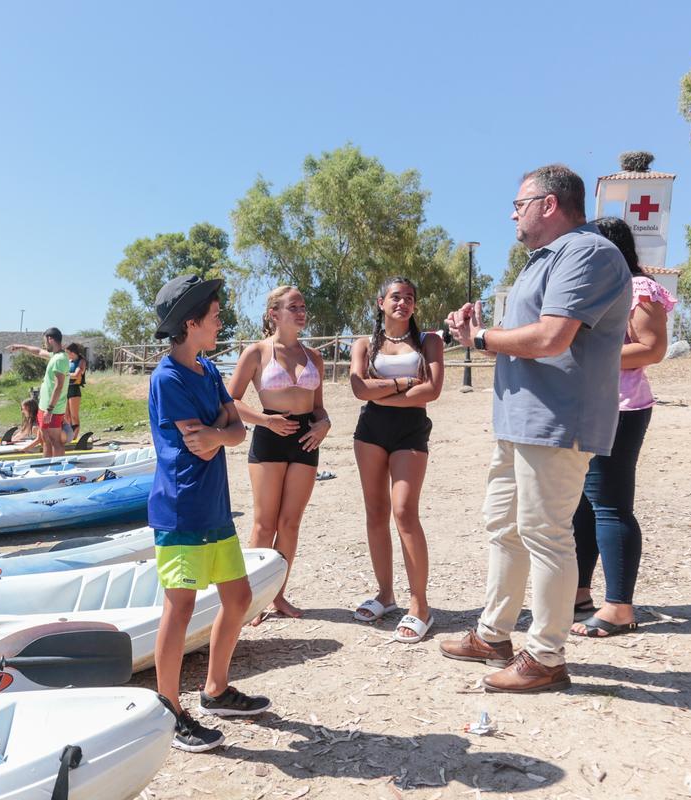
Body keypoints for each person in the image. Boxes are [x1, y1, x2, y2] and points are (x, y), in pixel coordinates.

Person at [440, 164, 632, 693]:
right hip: (520, 420)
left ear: (549, 204)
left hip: (556, 420)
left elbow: (551, 338)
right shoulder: (544, 261)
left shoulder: (587, 253)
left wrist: (479, 340)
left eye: (519, 203)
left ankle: (546, 656)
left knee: (546, 534)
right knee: (503, 527)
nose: (512, 213)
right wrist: (474, 331)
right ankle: (494, 634)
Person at [148, 274, 269, 753]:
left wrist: (220, 429)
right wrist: (222, 430)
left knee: (237, 598)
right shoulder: (169, 377)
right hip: (181, 511)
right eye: (215, 314)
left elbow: (235, 431)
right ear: (192, 322)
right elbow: (200, 447)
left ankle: (216, 690)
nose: (221, 320)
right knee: (179, 609)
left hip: (215, 508)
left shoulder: (209, 370)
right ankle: (169, 711)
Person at [572, 217, 676, 637]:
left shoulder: (638, 288)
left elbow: (652, 349)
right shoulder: (602, 290)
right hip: (589, 407)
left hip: (622, 408)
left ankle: (619, 606)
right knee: (581, 506)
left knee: (610, 505)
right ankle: (578, 593)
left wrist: (582, 357)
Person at [348, 276, 445, 644]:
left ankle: (420, 605)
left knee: (404, 512)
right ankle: (386, 595)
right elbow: (359, 389)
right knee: (375, 511)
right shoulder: (364, 344)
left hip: (411, 432)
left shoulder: (428, 342)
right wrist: (405, 384)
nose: (401, 303)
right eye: (395, 297)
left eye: (408, 298)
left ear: (414, 306)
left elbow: (432, 390)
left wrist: (382, 390)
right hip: (370, 432)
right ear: (380, 302)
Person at [228, 286, 331, 624]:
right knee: (263, 522)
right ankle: (250, 600)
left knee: (290, 523)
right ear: (274, 313)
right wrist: (266, 420)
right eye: (293, 306)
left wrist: (324, 425)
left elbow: (318, 409)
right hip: (269, 436)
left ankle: (277, 596)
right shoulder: (256, 352)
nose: (301, 311)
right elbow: (232, 401)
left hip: (305, 440)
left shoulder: (313, 356)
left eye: (303, 306)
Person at [8, 328, 70, 457]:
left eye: (45, 341)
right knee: (45, 440)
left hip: (52, 408)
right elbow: (38, 351)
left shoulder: (60, 359)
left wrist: (50, 409)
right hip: (44, 407)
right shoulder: (55, 356)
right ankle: (47, 465)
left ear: (50, 339)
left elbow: (59, 386)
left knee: (55, 441)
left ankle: (58, 468)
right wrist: (20, 346)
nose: (44, 345)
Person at [65, 343, 87, 432]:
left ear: (72, 352)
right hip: (65, 389)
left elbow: (76, 375)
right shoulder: (69, 362)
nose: (66, 355)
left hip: (74, 389)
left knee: (74, 415)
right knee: (66, 415)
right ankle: (69, 434)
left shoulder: (81, 361)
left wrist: (65, 375)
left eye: (67, 353)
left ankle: (75, 436)